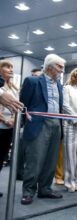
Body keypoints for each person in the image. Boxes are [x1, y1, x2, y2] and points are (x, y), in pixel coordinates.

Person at [19, 54, 66, 205]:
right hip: (39, 123)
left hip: (56, 124)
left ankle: (45, 189)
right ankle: (28, 191)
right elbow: (23, 104)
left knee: (51, 160)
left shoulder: (59, 85)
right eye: (59, 66)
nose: (62, 70)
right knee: (35, 159)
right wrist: (25, 124)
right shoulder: (32, 81)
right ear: (49, 66)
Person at [0, 60, 19, 198]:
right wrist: (4, 119)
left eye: (12, 67)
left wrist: (12, 118)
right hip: (1, 124)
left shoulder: (14, 87)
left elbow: (16, 106)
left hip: (10, 127)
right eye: (7, 67)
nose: (11, 69)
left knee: (1, 158)